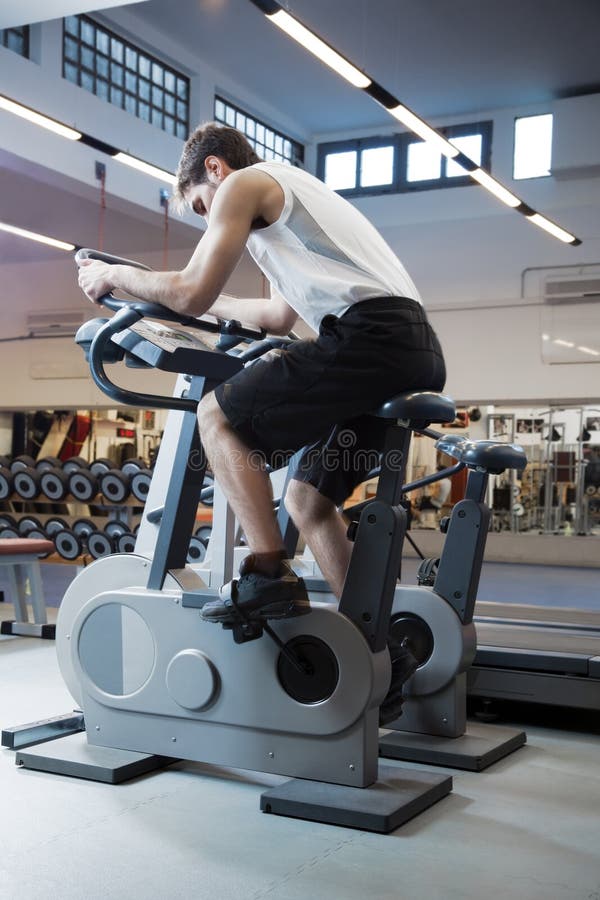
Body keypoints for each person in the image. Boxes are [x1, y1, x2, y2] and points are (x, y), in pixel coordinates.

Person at [78, 122, 446, 625]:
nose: (210, 221)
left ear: (215, 168)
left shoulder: (244, 184)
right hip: (413, 347)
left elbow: (191, 291)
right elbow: (275, 317)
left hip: (368, 337)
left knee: (216, 417)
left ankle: (268, 575)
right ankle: (375, 639)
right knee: (307, 501)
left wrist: (116, 276)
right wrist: (191, 311)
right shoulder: (288, 206)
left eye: (203, 207)